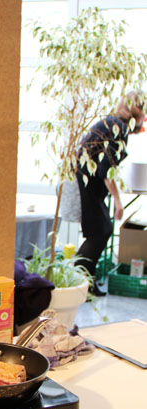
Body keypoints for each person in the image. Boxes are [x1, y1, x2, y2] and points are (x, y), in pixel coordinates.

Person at [74, 91, 145, 296]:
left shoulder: (114, 124)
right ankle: (81, 284)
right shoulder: (118, 128)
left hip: (89, 180)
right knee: (100, 231)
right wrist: (118, 201)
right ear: (136, 110)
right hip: (88, 181)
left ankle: (85, 284)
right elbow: (107, 169)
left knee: (101, 230)